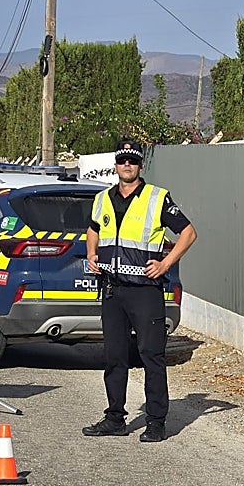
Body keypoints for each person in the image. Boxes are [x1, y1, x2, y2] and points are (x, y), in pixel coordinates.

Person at [82, 138, 197, 442]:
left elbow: (188, 233)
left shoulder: (157, 198)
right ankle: (115, 418)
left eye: (132, 160)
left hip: (145, 291)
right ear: (116, 165)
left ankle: (156, 421)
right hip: (112, 290)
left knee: (151, 356)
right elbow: (93, 229)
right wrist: (91, 254)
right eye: (122, 161)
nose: (127, 165)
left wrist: (166, 264)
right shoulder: (103, 198)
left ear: (140, 165)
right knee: (114, 357)